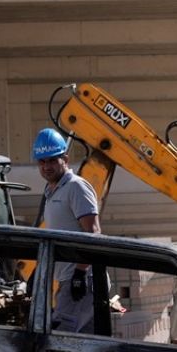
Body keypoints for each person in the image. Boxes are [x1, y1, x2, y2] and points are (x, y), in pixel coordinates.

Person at [34, 127, 102, 334]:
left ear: (65, 158)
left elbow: (93, 232)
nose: (47, 166)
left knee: (60, 339)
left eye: (52, 160)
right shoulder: (51, 191)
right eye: (42, 161)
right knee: (81, 342)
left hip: (81, 278)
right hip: (66, 278)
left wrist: (80, 273)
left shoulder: (76, 187)